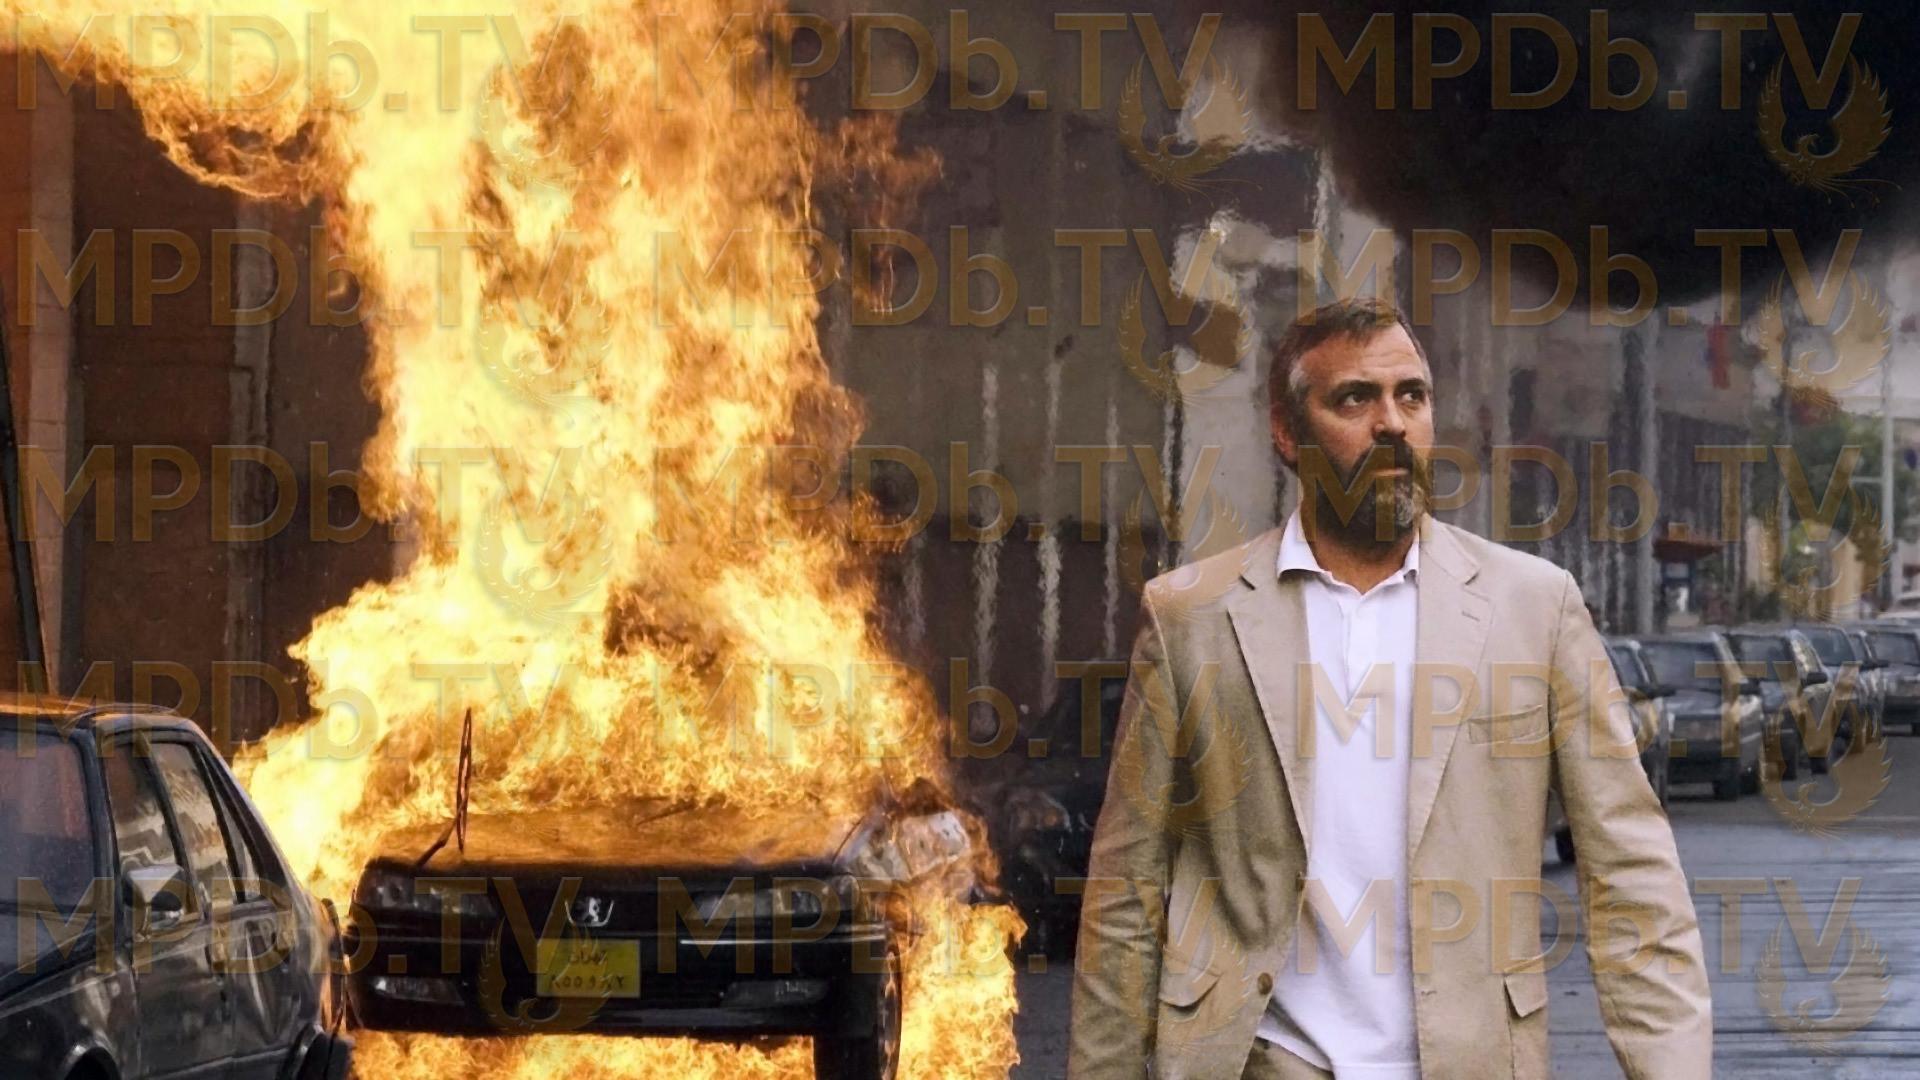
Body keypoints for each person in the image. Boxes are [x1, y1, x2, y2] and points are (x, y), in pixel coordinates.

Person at [1068, 297, 1709, 1080]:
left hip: (1470, 1061)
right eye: (1354, 399)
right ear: (1286, 433)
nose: (1393, 424)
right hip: (1261, 1060)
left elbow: (1632, 872)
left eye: (1412, 395)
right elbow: (1126, 892)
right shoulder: (1191, 617)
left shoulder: (1533, 606)